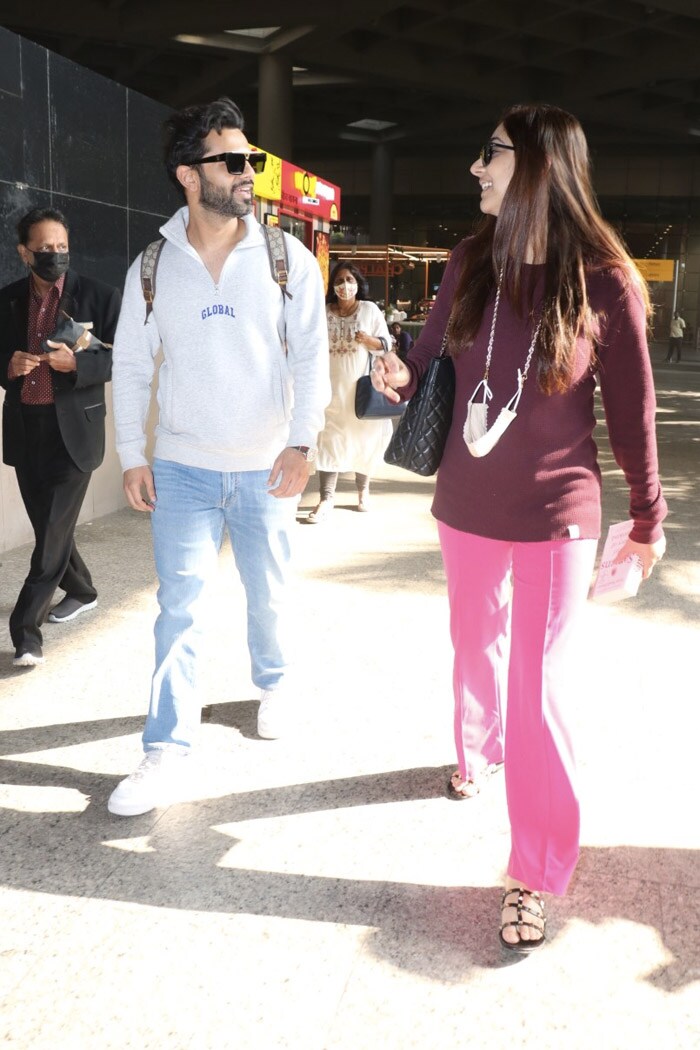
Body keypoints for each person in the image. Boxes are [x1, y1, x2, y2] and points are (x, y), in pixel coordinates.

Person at [371, 104, 667, 954]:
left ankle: (533, 869)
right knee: (474, 641)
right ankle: (476, 748)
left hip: (557, 516)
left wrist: (647, 519)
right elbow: (425, 362)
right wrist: (399, 373)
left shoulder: (605, 280)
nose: (476, 168)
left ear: (538, 166)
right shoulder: (469, 262)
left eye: (491, 154)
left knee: (539, 692)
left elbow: (635, 413)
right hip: (465, 503)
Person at [108, 97, 330, 817]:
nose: (248, 173)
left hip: (266, 465)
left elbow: (313, 359)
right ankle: (165, 750)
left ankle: (275, 683)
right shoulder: (151, 266)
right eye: (232, 160)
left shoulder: (284, 256)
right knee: (180, 610)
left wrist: (302, 442)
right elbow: (134, 366)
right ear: (187, 174)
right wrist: (131, 454)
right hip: (181, 467)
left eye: (252, 160)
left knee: (269, 596)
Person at [0, 207, 120, 668]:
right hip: (26, 427)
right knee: (50, 527)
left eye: (62, 248)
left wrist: (80, 365)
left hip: (76, 431)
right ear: (24, 253)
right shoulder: (8, 300)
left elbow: (124, 360)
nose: (55, 256)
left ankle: (26, 633)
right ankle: (83, 590)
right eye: (46, 249)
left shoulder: (99, 296)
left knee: (50, 533)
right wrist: (8, 367)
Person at [308, 261, 393, 522]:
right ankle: (326, 498)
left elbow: (386, 344)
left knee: (364, 440)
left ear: (358, 283)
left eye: (350, 280)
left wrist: (369, 341)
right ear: (333, 286)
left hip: (360, 392)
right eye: (340, 280)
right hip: (329, 389)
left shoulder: (369, 310)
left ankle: (363, 492)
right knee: (327, 442)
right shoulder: (323, 312)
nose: (345, 285)